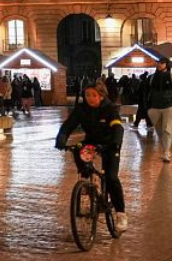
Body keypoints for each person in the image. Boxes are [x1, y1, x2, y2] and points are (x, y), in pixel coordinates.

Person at [55, 80, 127, 232]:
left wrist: (115, 143)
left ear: (101, 96)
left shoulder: (110, 109)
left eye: (93, 95)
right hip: (92, 143)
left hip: (109, 144)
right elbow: (69, 125)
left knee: (111, 177)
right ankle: (88, 182)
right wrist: (61, 139)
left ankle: (121, 214)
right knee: (78, 150)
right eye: (87, 95)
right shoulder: (81, 109)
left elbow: (117, 127)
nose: (89, 98)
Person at [145, 58, 172, 162]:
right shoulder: (151, 77)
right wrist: (148, 107)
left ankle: (166, 152)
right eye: (158, 62)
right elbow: (145, 92)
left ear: (166, 64)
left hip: (169, 107)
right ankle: (165, 149)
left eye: (162, 63)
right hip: (154, 107)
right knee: (159, 131)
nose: (159, 64)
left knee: (167, 130)